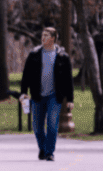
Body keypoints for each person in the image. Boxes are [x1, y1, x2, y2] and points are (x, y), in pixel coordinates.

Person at [19, 27, 74, 161]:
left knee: (52, 123)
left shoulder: (62, 57)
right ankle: (43, 148)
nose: (42, 38)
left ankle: (49, 152)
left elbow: (68, 79)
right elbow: (26, 75)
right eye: (42, 35)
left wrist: (70, 99)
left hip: (54, 96)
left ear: (53, 38)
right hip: (38, 95)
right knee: (37, 127)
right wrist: (23, 92)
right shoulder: (34, 54)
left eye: (46, 36)